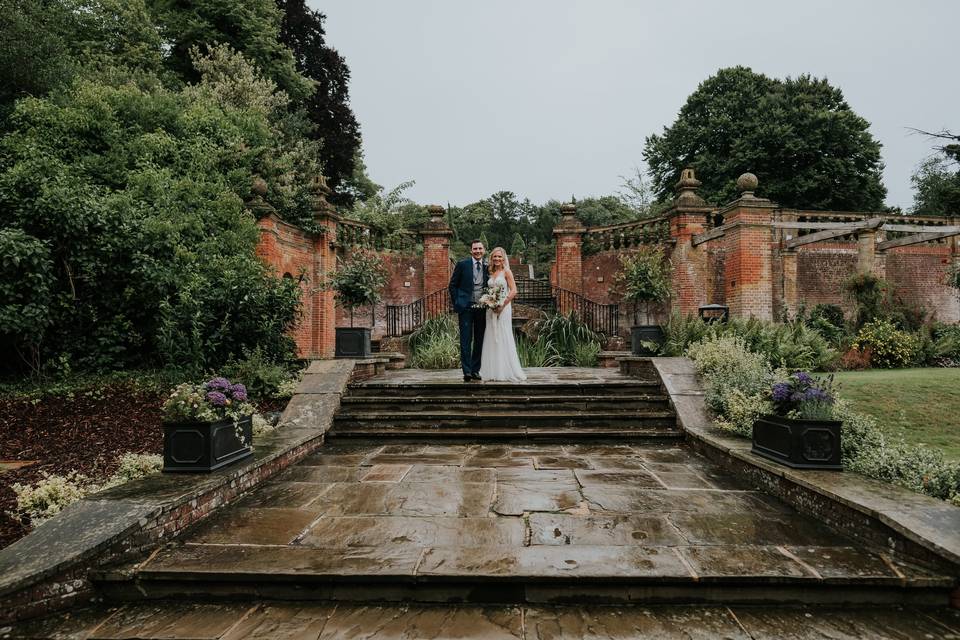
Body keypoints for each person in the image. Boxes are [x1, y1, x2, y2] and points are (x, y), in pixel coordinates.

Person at [478, 247, 527, 382]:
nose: (497, 259)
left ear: (503, 258)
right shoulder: (490, 272)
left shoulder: (507, 272)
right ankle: (490, 370)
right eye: (495, 257)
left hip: (504, 308)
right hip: (491, 309)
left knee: (503, 335)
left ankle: (505, 371)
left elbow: (514, 290)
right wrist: (489, 301)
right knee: (491, 335)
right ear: (492, 258)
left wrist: (502, 305)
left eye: (500, 257)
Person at [448, 239, 487, 382]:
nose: (477, 251)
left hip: (482, 308)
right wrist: (458, 302)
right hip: (466, 307)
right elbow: (452, 285)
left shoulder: (488, 267)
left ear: (484, 250)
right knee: (465, 339)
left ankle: (475, 370)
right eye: (475, 249)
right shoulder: (462, 265)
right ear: (471, 250)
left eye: (480, 249)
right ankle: (467, 371)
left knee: (479, 340)